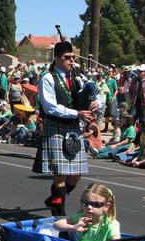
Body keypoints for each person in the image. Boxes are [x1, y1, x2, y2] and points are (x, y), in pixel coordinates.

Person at [32, 40, 97, 216]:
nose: (71, 61)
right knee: (60, 175)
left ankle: (55, 199)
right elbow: (50, 107)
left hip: (74, 128)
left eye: (73, 57)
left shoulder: (77, 78)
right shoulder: (47, 78)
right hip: (56, 127)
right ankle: (59, 215)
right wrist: (77, 114)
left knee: (77, 173)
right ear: (57, 58)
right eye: (67, 57)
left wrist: (96, 103)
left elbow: (89, 96)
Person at [53, 183, 121, 241]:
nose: (89, 207)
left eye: (96, 204)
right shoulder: (81, 217)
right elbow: (56, 224)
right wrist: (73, 227)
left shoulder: (111, 224)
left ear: (106, 206)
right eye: (86, 203)